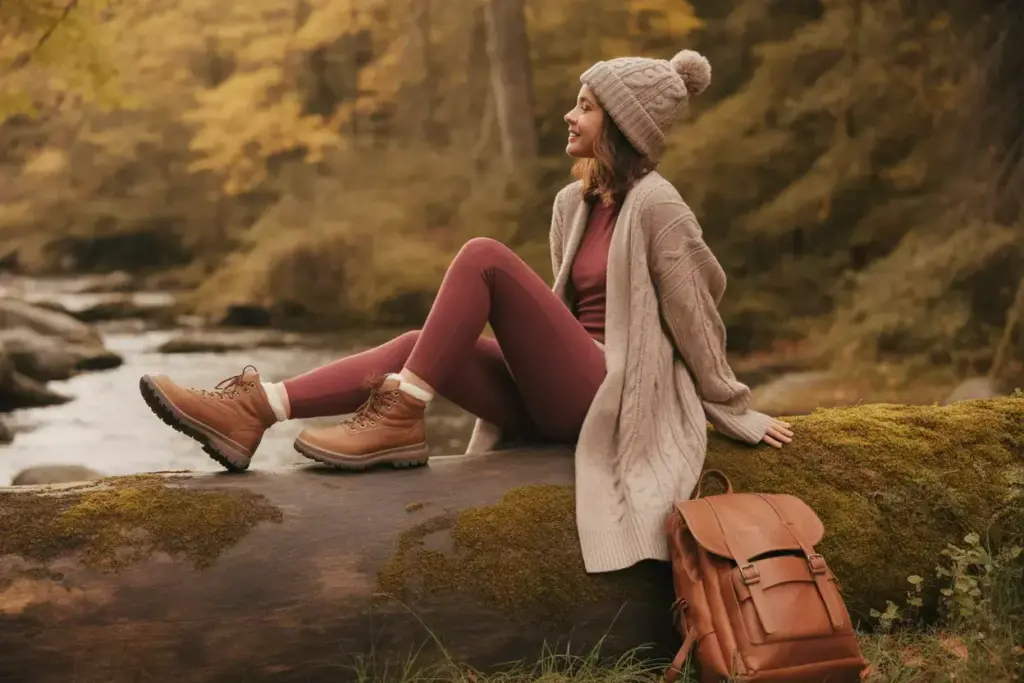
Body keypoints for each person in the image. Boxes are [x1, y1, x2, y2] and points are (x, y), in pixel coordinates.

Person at [139, 48, 793, 573]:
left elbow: (694, 308)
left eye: (586, 108)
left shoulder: (659, 206)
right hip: (565, 386)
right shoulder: (575, 205)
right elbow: (556, 321)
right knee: (420, 344)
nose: (569, 116)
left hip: (611, 392)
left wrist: (729, 401)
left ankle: (398, 417)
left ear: (620, 126)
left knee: (484, 256)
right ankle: (255, 410)